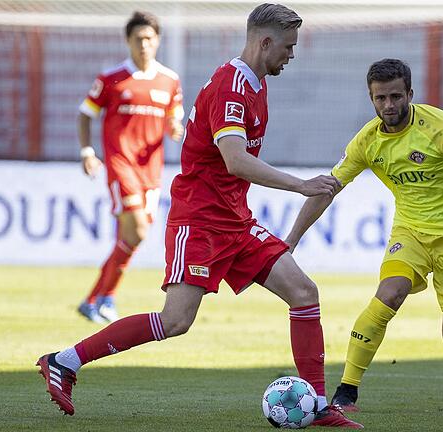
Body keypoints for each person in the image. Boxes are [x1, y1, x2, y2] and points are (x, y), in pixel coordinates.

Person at [37, 3, 362, 428]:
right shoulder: (231, 88)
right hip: (201, 220)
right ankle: (65, 361)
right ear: (264, 42)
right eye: (288, 46)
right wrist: (300, 184)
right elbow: (235, 161)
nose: (292, 55)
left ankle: (317, 406)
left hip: (234, 219)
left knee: (304, 293)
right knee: (175, 321)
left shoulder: (255, 84)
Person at [284, 59, 443, 411]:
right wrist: (291, 241)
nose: (389, 106)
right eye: (380, 99)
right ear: (371, 99)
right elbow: (329, 189)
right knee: (389, 294)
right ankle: (347, 389)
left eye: (395, 96)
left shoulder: (442, 128)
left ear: (410, 94)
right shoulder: (367, 142)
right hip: (412, 233)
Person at [76, 11, 184, 323]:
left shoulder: (170, 80)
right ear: (128, 41)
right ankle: (102, 297)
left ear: (158, 40)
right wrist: (87, 151)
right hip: (120, 165)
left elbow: (174, 116)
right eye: (138, 39)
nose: (144, 45)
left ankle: (99, 297)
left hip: (151, 169)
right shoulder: (111, 79)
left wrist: (174, 127)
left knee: (129, 238)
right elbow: (85, 114)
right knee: (136, 231)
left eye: (150, 38)